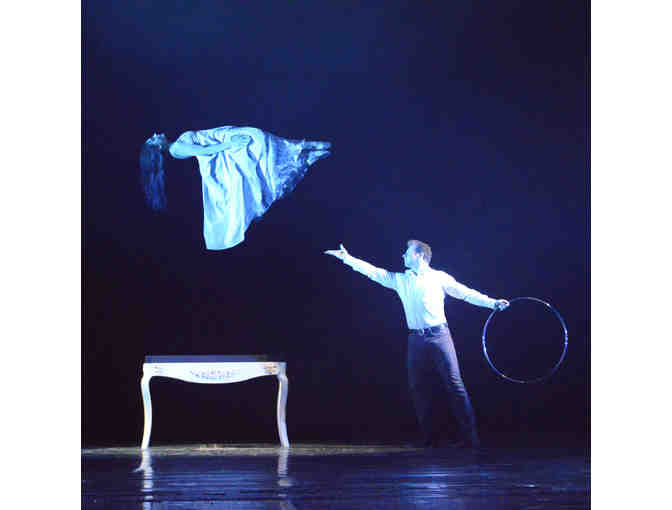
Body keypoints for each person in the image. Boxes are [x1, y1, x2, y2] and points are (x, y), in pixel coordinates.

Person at [325, 240, 509, 449]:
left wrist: (492, 303)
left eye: (407, 252)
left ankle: (470, 439)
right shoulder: (402, 280)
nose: (403, 255)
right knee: (419, 388)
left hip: (439, 336)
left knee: (455, 385)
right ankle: (431, 440)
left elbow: (465, 293)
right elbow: (374, 272)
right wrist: (348, 259)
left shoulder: (439, 277)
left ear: (420, 255)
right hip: (415, 340)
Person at [140, 126, 331, 250]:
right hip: (226, 144)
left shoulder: (177, 142)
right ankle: (305, 155)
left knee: (266, 149)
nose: (156, 134)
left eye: (153, 136)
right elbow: (205, 151)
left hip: (224, 136)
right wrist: (230, 143)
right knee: (263, 160)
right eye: (153, 139)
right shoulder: (176, 150)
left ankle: (304, 151)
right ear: (158, 149)